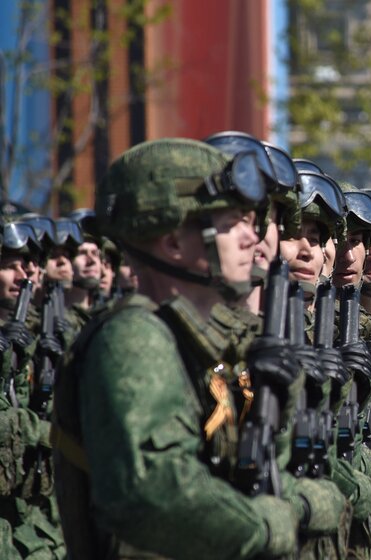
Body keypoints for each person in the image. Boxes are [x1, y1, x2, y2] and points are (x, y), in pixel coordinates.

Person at [52, 138, 303, 559]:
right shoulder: (136, 338)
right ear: (172, 243)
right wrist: (266, 525)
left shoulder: (203, 340)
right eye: (229, 224)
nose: (250, 238)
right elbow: (152, 494)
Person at [0, 220, 66, 558]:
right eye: (9, 267)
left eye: (24, 267)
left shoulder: (27, 337)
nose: (22, 276)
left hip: (25, 513)